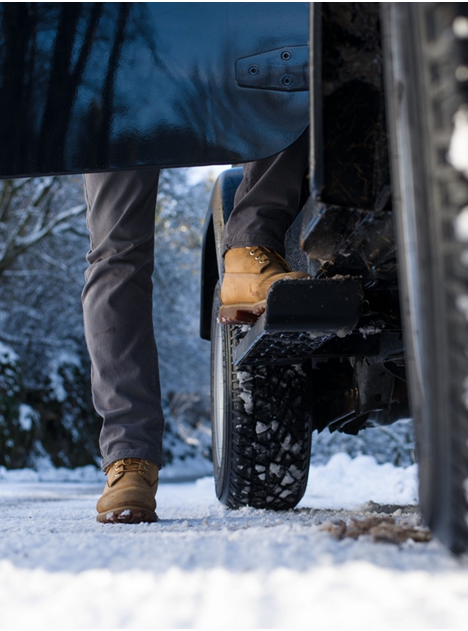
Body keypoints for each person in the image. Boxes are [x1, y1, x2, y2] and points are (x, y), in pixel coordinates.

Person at [82, 130, 310, 523]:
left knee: (293, 81)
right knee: (116, 251)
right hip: (120, 80)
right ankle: (129, 459)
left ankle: (251, 246)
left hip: (225, 69)